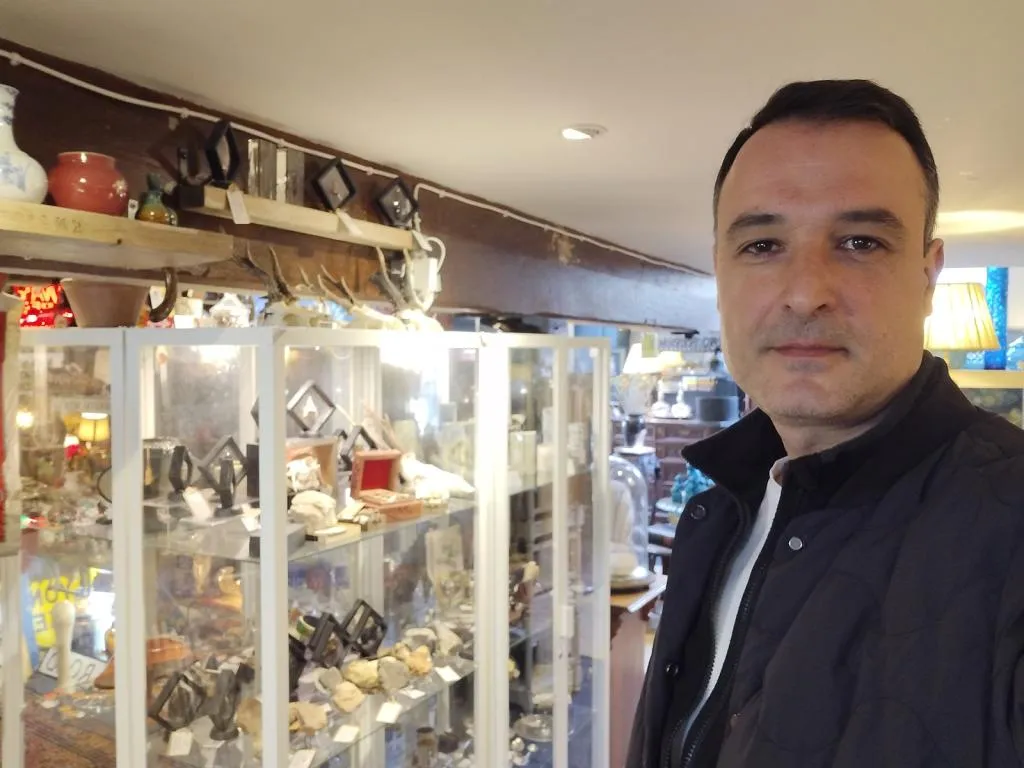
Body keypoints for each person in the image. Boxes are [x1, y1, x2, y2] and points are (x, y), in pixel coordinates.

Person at [628, 79, 1024, 768]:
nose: (807, 292)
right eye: (761, 246)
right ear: (719, 269)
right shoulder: (719, 513)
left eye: (861, 242)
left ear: (928, 275)